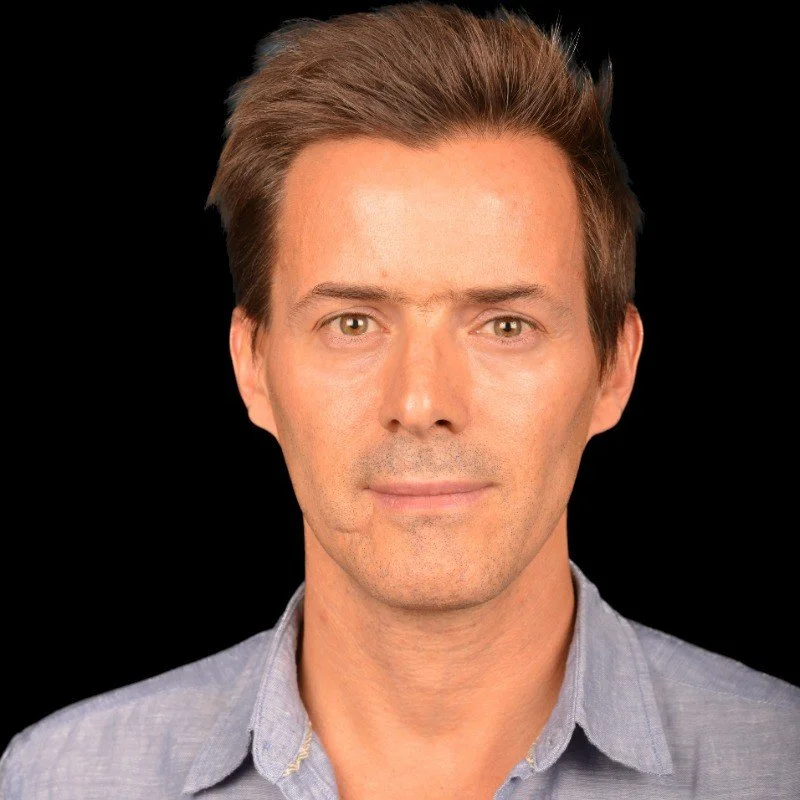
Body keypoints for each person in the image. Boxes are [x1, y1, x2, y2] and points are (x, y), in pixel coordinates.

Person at [2, 3, 798, 798]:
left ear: (614, 369)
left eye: (505, 324)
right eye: (352, 323)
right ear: (252, 366)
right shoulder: (53, 782)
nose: (420, 401)